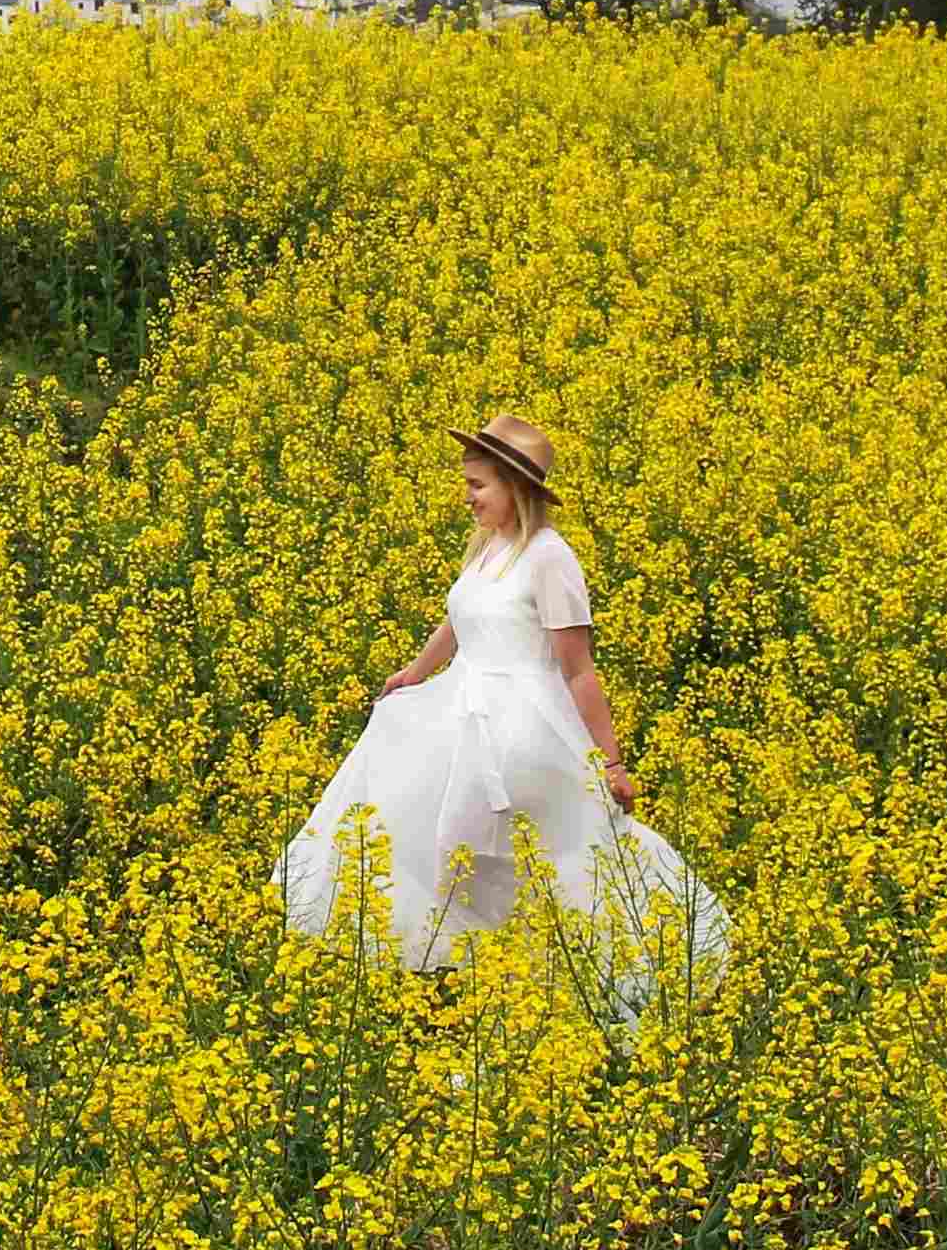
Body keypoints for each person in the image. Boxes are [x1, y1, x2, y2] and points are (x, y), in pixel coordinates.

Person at [278, 411, 729, 999]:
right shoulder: (489, 547)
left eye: (477, 486)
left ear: (515, 489)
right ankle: (470, 972)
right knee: (438, 838)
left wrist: (612, 764)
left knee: (550, 853)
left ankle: (578, 976)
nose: (467, 498)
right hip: (462, 709)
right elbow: (459, 620)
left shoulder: (549, 557)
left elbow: (579, 670)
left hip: (522, 724)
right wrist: (415, 673)